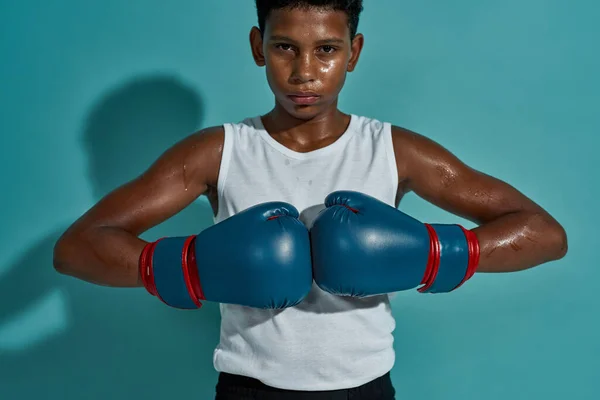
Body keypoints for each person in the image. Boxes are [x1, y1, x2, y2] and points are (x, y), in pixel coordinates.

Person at [53, 1, 568, 399]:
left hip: (364, 387)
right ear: (258, 46)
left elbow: (545, 234)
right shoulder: (219, 152)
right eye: (284, 47)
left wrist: (433, 254)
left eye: (326, 49)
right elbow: (76, 247)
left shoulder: (393, 151)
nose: (304, 72)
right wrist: (186, 266)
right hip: (246, 389)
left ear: (354, 51)